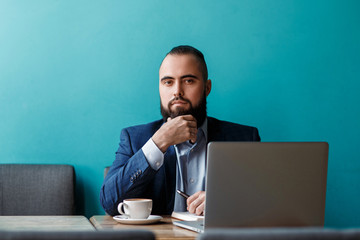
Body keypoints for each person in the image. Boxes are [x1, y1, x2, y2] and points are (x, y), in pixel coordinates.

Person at [100, 45, 260, 216]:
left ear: (207, 88)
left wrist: (226, 199)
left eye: (188, 81)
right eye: (168, 82)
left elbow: (265, 200)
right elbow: (110, 203)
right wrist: (158, 143)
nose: (177, 91)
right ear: (160, 88)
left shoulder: (244, 138)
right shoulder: (134, 139)